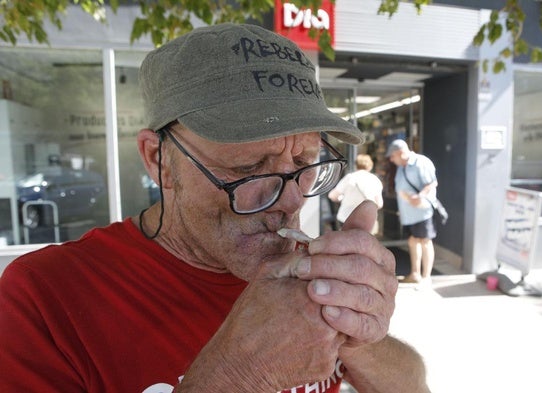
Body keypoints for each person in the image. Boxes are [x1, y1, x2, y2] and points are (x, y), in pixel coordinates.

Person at [0, 24, 430, 393]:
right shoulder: (43, 297)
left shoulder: (310, 271)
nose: (291, 199)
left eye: (303, 163)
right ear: (158, 160)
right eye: (246, 167)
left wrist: (360, 334)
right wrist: (238, 375)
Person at [386, 139, 439, 287]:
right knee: (413, 241)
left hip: (422, 211)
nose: (391, 159)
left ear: (401, 152)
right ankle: (415, 273)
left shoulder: (421, 162)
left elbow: (432, 183)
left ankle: (426, 276)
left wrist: (420, 196)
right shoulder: (402, 167)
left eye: (392, 156)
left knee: (425, 241)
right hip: (408, 214)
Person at [328, 154, 384, 233]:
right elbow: (379, 204)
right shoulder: (375, 180)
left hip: (346, 217)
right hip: (366, 220)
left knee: (346, 242)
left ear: (356, 165)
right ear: (370, 166)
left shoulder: (350, 178)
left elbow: (332, 195)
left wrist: (342, 199)